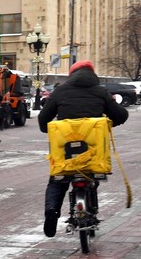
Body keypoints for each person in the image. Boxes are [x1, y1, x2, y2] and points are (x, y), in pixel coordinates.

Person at [37, 60, 128, 238]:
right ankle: (91, 209)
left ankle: (52, 210)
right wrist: (109, 123)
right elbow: (121, 114)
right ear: (92, 74)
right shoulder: (100, 91)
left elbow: (43, 120)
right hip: (93, 153)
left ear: (72, 75)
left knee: (58, 180)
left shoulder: (60, 91)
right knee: (92, 173)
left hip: (65, 151)